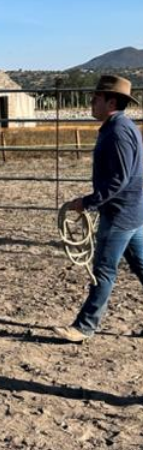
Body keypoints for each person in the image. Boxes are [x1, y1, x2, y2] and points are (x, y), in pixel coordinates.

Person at [54, 74, 143, 342]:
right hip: (132, 212)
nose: (92, 103)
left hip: (118, 214)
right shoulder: (124, 127)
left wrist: (88, 202)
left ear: (111, 102)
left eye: (96, 98)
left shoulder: (117, 133)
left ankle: (84, 327)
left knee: (103, 271)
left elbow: (119, 179)